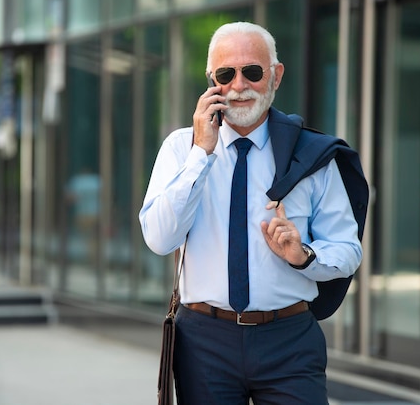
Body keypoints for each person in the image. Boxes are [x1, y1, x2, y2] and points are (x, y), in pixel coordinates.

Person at [139, 21, 366, 404]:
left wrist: (304, 256)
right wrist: (201, 155)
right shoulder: (181, 149)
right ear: (211, 80)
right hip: (204, 342)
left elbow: (347, 248)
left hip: (289, 339)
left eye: (253, 72)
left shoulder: (310, 154)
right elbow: (159, 239)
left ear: (275, 75)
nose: (239, 85)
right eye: (226, 74)